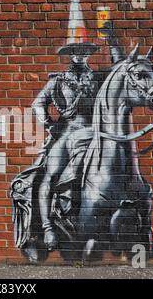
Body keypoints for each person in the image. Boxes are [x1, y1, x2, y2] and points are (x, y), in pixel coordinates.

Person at [32, 40, 99, 250]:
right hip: (68, 132)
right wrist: (50, 126)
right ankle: (48, 228)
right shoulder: (58, 81)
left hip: (94, 133)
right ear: (70, 55)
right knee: (51, 175)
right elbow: (38, 103)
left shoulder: (98, 79)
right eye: (76, 52)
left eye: (84, 52)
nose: (80, 55)